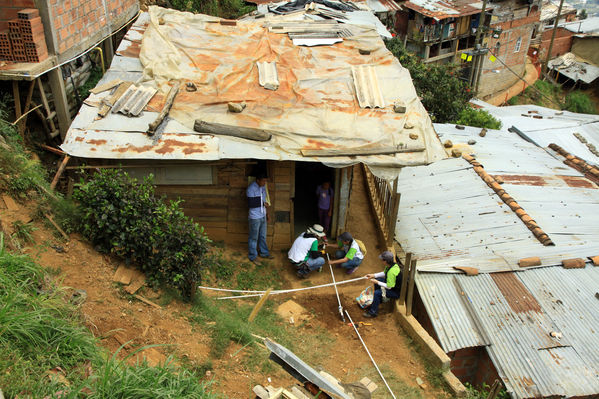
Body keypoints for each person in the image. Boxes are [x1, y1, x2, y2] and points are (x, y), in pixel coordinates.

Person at [363, 251, 402, 318]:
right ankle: (378, 300)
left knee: (377, 293)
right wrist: (373, 275)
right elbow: (384, 273)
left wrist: (377, 282)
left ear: (385, 261)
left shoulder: (391, 272)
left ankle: (373, 312)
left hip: (395, 292)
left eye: (382, 260)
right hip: (392, 286)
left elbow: (389, 287)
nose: (381, 261)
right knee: (378, 280)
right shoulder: (392, 265)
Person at [247, 174, 274, 263]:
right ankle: (252, 256)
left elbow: (264, 202)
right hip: (255, 217)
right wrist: (262, 203)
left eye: (266, 181)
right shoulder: (251, 188)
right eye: (263, 181)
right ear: (258, 180)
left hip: (262, 215)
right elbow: (251, 203)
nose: (265, 183)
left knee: (262, 236)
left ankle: (264, 253)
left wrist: (267, 215)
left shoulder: (262, 188)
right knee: (253, 237)